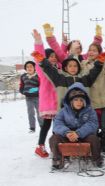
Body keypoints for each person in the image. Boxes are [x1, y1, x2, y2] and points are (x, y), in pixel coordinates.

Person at [49, 82, 102, 169]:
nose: (79, 102)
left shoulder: (90, 111)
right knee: (54, 138)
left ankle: (96, 159)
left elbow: (92, 124)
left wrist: (78, 133)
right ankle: (58, 160)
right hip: (67, 135)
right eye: (76, 100)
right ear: (71, 101)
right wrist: (67, 132)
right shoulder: (63, 111)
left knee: (94, 139)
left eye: (81, 100)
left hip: (83, 136)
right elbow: (57, 124)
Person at [31, 51, 105, 111]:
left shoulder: (84, 79)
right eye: (70, 66)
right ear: (66, 68)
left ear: (78, 67)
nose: (73, 68)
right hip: (65, 113)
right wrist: (42, 61)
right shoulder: (60, 79)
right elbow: (50, 70)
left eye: (75, 66)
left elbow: (94, 72)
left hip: (83, 112)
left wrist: (99, 63)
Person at [80, 41, 105, 157]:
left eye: (94, 50)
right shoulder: (83, 64)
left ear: (99, 53)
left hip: (104, 100)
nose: (91, 52)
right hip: (91, 102)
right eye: (90, 50)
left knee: (104, 126)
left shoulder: (103, 63)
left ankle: (104, 146)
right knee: (93, 127)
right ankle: (94, 146)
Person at [32, 29, 61, 157]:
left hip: (58, 102)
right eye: (51, 57)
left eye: (55, 57)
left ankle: (56, 146)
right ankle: (41, 146)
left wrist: (64, 44)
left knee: (58, 125)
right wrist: (38, 41)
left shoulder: (59, 68)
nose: (53, 59)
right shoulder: (42, 69)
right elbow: (39, 57)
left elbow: (63, 55)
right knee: (47, 125)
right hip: (48, 102)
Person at [19, 61, 43, 133]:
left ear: (34, 68)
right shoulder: (23, 76)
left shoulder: (38, 76)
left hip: (37, 97)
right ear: (25, 68)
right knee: (30, 113)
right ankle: (32, 128)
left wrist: (35, 89)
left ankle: (42, 126)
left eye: (31, 66)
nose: (29, 68)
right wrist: (22, 91)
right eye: (27, 67)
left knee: (39, 113)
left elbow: (42, 86)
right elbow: (21, 85)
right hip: (28, 98)